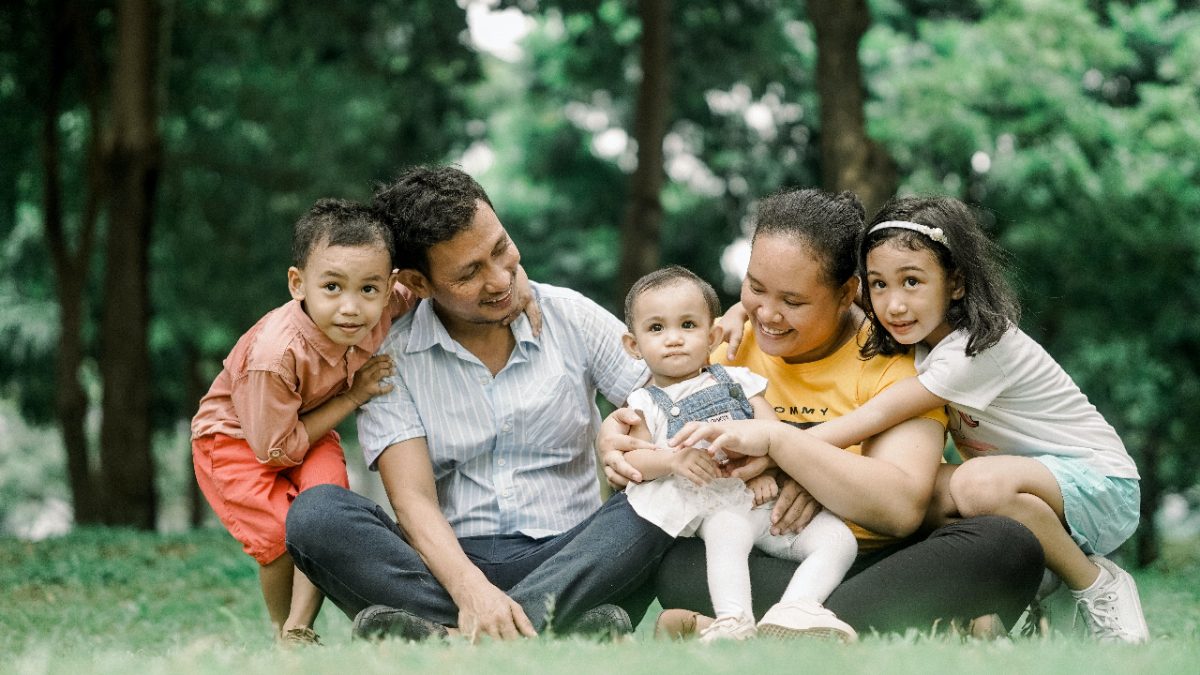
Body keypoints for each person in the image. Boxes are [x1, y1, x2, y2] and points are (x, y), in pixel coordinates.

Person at [602, 187, 1045, 638]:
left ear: (846, 293)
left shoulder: (893, 356)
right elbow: (652, 434)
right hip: (755, 552)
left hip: (876, 557)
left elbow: (900, 508)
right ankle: (851, 624)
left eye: (793, 302)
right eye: (755, 288)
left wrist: (792, 454)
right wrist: (615, 440)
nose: (767, 314)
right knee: (676, 558)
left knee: (1010, 544)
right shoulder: (726, 342)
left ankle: (770, 626)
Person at [284, 165, 674, 643]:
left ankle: (450, 640)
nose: (499, 279)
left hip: (573, 556)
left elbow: (673, 398)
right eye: (470, 273)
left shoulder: (568, 316)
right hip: (449, 568)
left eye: (500, 249)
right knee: (316, 514)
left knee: (668, 493)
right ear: (418, 283)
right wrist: (472, 591)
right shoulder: (392, 360)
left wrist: (631, 433)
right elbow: (413, 501)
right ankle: (554, 632)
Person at [796, 196, 1147, 643]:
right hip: (1026, 489)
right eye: (880, 285)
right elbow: (832, 299)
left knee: (973, 484)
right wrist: (738, 312)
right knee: (906, 489)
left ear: (956, 282)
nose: (894, 304)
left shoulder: (978, 347)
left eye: (912, 281)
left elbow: (879, 413)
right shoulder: (921, 330)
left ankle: (1097, 584)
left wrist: (788, 449)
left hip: (1103, 485)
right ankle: (1021, 591)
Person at [191, 199, 415, 645]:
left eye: (368, 290)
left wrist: (519, 288)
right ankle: (285, 635)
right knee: (278, 537)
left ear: (388, 288)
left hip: (306, 428)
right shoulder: (275, 356)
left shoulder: (383, 306)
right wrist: (354, 395)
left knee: (325, 515)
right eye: (332, 287)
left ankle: (299, 629)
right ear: (298, 284)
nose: (351, 308)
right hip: (239, 441)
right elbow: (274, 450)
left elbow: (433, 283)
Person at [618, 265, 857, 642]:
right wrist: (672, 460)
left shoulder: (739, 381)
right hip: (717, 508)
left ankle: (795, 608)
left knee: (839, 539)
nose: (674, 339)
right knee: (726, 536)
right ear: (634, 345)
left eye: (688, 325)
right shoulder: (645, 402)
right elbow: (634, 460)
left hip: (766, 503)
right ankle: (734, 619)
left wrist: (765, 471)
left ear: (712, 335)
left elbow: (773, 436)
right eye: (657, 328)